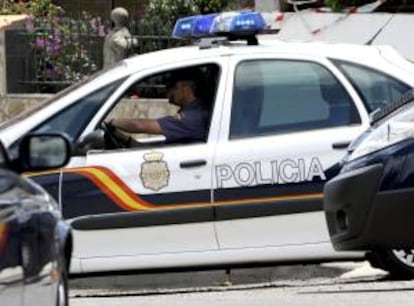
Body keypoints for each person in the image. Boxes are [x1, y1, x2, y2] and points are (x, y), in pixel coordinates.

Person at [107, 69, 209, 145]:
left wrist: (112, 122)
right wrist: (124, 139)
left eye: (171, 86)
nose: (167, 91)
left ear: (186, 87)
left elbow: (139, 126)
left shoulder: (193, 117)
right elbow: (153, 154)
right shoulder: (193, 112)